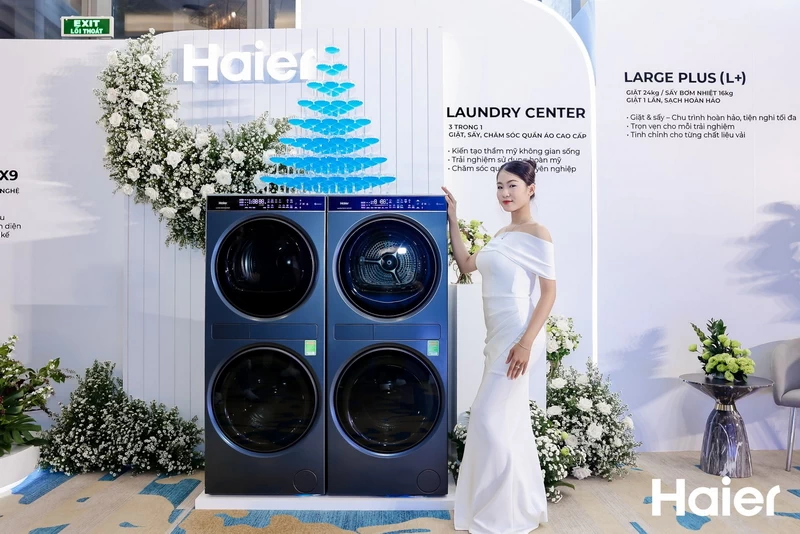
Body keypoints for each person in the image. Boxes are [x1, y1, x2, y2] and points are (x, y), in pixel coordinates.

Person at [443, 159, 556, 534]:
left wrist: (525, 343)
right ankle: (514, 504)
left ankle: (502, 513)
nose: (505, 193)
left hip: (519, 336)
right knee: (506, 422)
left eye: (512, 186)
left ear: (530, 189)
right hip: (497, 338)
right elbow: (465, 264)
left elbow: (548, 294)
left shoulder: (538, 233)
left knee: (488, 417)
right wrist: (453, 218)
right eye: (499, 186)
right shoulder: (502, 234)